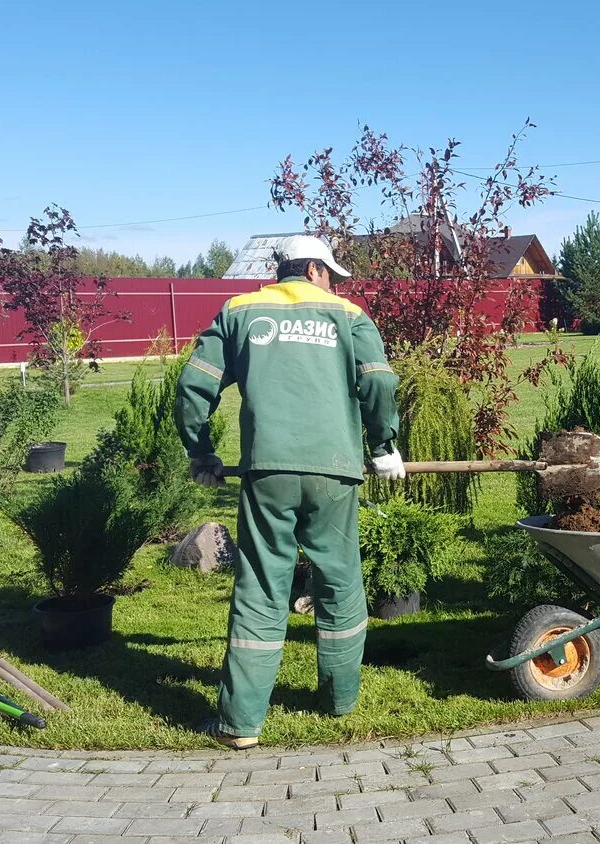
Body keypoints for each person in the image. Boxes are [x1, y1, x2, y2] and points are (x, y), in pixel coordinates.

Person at [174, 235, 402, 748]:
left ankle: (240, 724)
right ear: (316, 270)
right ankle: (339, 701)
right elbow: (379, 382)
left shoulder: (240, 311)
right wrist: (384, 444)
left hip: (267, 471)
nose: (336, 284)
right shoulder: (349, 315)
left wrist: (202, 453)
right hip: (336, 470)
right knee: (340, 581)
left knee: (260, 586)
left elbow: (195, 384)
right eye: (333, 275)